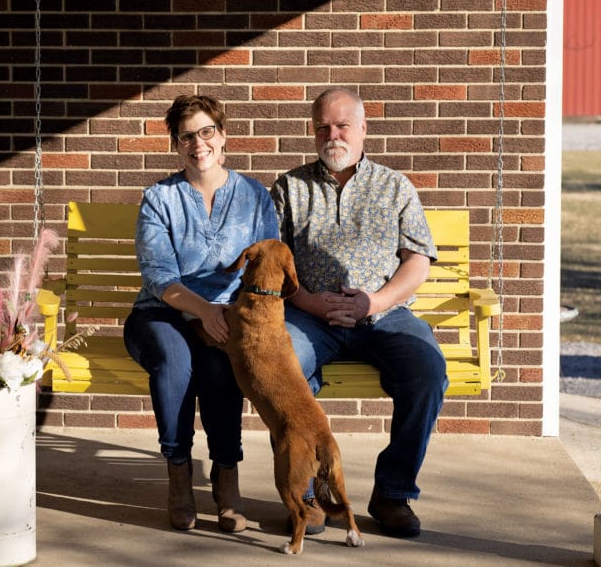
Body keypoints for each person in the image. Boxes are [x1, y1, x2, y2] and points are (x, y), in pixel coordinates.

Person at [270, 87, 448, 539]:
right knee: (285, 369)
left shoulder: (394, 186)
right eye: (323, 127)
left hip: (384, 313)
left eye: (343, 125)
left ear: (363, 129)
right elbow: (272, 261)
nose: (333, 135)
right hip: (310, 314)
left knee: (427, 370)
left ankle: (392, 493)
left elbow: (418, 260)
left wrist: (375, 302)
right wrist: (306, 300)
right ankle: (306, 494)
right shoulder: (290, 187)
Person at [124, 94, 280, 533]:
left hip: (226, 315)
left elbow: (265, 264)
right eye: (186, 136)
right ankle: (179, 478)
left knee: (219, 366)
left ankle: (226, 483)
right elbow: (157, 275)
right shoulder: (159, 198)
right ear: (176, 144)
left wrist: (230, 315)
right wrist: (201, 311)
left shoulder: (253, 196)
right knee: (175, 362)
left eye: (206, 131)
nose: (198, 143)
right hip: (162, 313)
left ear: (223, 134)